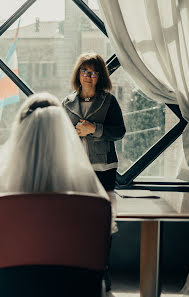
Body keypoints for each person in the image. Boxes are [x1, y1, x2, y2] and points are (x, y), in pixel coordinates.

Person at [0, 93, 111, 293]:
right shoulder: (83, 181)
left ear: (21, 132)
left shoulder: (1, 183)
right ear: (63, 133)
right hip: (74, 288)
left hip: (16, 287)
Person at [62, 52, 126, 291]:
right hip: (75, 170)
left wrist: (94, 129)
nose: (88, 77)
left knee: (103, 222)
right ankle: (79, 268)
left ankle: (102, 269)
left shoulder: (109, 102)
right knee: (75, 221)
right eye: (84, 71)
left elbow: (119, 131)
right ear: (78, 74)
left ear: (100, 76)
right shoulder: (66, 103)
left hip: (104, 170)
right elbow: (59, 134)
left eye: (93, 72)